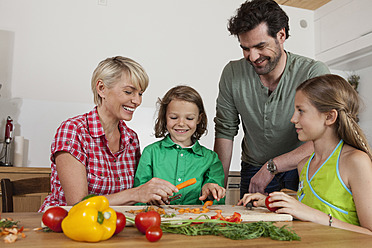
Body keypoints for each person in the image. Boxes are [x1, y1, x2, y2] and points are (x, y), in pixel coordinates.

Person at [213, 0, 330, 197]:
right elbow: (225, 132)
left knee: (300, 226)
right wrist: (217, 189)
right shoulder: (232, 73)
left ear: (281, 35)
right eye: (245, 48)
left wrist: (272, 166)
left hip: (302, 165)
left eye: (260, 46)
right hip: (252, 167)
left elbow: (326, 136)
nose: (252, 57)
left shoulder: (313, 72)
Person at [39, 56, 178, 212]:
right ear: (101, 89)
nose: (137, 101)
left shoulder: (131, 139)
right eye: (129, 92)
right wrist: (137, 193)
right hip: (65, 224)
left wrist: (154, 193)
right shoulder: (73, 131)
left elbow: (137, 194)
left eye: (140, 94)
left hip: (112, 224)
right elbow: (77, 205)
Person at [239, 74, 372, 235]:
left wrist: (309, 213)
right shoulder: (304, 164)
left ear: (329, 117)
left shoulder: (356, 161)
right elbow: (315, 206)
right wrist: (268, 202)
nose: (293, 119)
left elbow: (369, 232)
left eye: (301, 111)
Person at [134, 85, 226, 205]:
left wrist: (210, 194)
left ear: (199, 119)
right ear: (164, 117)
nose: (181, 123)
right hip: (157, 220)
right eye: (174, 117)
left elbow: (218, 203)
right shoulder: (151, 153)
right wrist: (150, 199)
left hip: (195, 222)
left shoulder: (211, 159)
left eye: (189, 118)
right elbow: (138, 197)